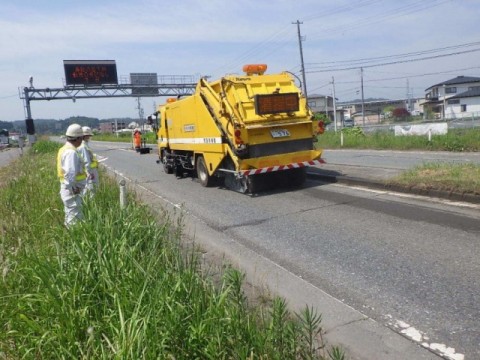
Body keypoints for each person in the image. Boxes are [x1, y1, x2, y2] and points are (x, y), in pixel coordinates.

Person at [57, 124, 86, 227]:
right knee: (75, 218)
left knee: (70, 215)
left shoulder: (65, 149)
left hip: (69, 188)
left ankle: (70, 237)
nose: (82, 140)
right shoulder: (71, 152)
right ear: (78, 138)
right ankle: (75, 239)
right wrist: (73, 188)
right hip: (72, 190)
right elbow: (70, 173)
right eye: (82, 138)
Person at [78, 126, 99, 196]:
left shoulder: (82, 144)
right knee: (91, 188)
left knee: (88, 188)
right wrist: (89, 173)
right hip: (90, 171)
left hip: (89, 170)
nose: (89, 137)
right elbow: (86, 161)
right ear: (86, 136)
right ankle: (91, 204)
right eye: (89, 136)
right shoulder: (83, 146)